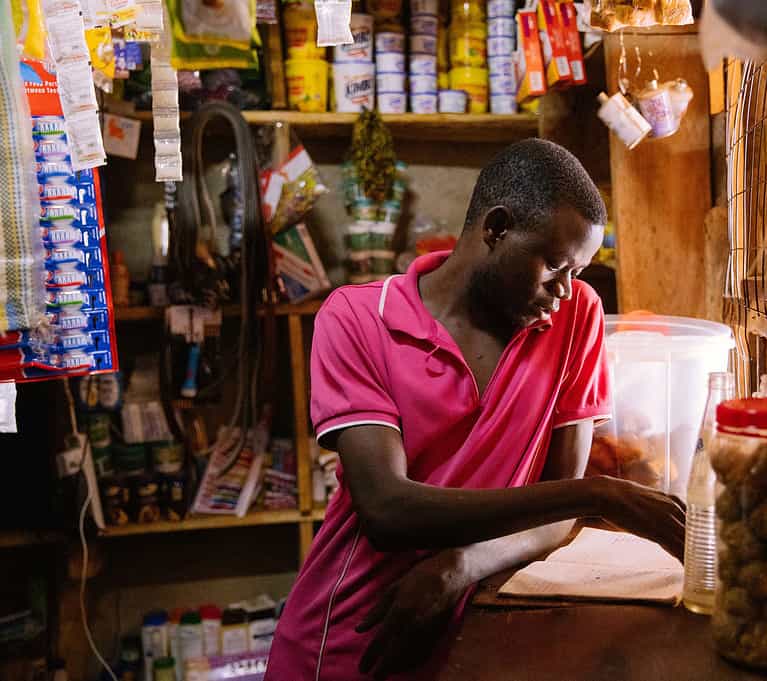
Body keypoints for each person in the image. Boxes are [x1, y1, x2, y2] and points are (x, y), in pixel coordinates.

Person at [265, 139, 686, 681]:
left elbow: (555, 517)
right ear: (496, 228)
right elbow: (386, 510)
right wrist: (598, 494)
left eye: (577, 272)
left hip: (478, 635)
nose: (564, 290)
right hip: (356, 635)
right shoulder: (358, 319)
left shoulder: (575, 317)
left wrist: (460, 565)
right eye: (554, 266)